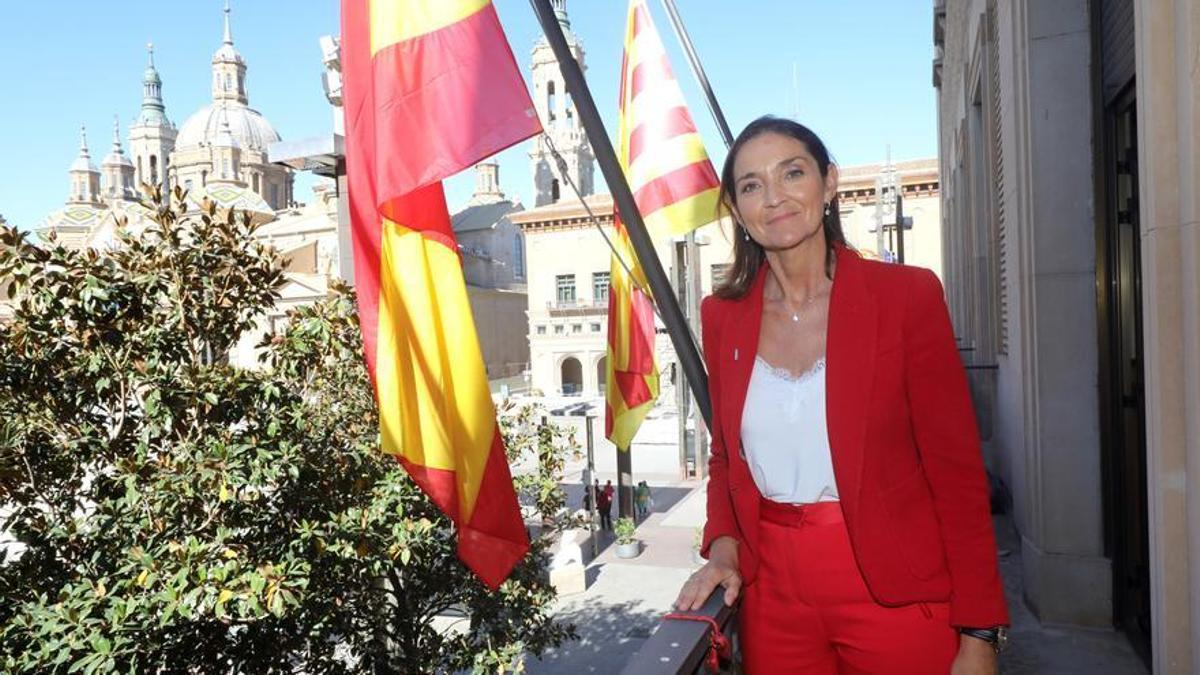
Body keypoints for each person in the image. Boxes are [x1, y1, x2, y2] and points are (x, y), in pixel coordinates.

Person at [672, 116, 1009, 674]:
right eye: (752, 185)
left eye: (792, 173)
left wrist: (979, 633)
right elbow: (726, 457)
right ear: (736, 209)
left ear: (829, 183)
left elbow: (957, 477)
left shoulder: (906, 298)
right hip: (775, 598)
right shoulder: (723, 317)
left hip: (896, 590)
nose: (774, 197)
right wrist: (724, 544)